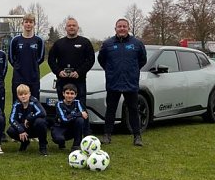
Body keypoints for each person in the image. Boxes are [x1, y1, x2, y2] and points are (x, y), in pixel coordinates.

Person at [97, 17, 148, 146]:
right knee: (111, 110)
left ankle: (137, 136)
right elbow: (102, 60)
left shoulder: (137, 44)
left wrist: (132, 71)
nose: (122, 28)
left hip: (130, 83)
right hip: (113, 82)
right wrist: (111, 71)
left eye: (124, 26)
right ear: (115, 28)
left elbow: (142, 60)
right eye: (119, 26)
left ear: (128, 28)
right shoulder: (108, 44)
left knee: (133, 110)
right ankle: (107, 135)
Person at [47, 17, 95, 108]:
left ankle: (81, 122)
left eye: (74, 25)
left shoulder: (85, 42)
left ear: (78, 28)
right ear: (65, 28)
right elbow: (51, 60)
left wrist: (79, 72)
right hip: (62, 81)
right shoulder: (58, 43)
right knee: (62, 107)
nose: (71, 27)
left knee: (80, 107)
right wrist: (58, 72)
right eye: (69, 25)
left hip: (79, 80)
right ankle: (63, 122)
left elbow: (90, 59)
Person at [8, 13, 45, 101]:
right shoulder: (15, 40)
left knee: (34, 102)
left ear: (34, 24)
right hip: (18, 77)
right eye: (26, 22)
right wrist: (18, 66)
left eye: (31, 22)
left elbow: (41, 58)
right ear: (22, 24)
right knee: (17, 102)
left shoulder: (39, 41)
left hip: (33, 77)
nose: (28, 24)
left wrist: (32, 66)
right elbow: (10, 58)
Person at [7, 83, 49, 155]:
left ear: (29, 94)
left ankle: (43, 147)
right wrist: (20, 130)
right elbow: (11, 119)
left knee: (40, 122)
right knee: (10, 130)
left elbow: (43, 112)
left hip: (35, 128)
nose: (23, 96)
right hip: (24, 128)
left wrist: (29, 118)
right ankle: (25, 142)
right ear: (17, 96)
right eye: (21, 95)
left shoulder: (34, 101)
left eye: (25, 94)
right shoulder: (16, 104)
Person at [51, 83, 89, 151]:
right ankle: (61, 144)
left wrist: (75, 115)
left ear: (75, 95)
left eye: (72, 93)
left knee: (80, 120)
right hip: (60, 127)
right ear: (63, 94)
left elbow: (84, 117)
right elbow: (64, 119)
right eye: (67, 93)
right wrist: (78, 114)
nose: (69, 95)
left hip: (71, 128)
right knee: (59, 139)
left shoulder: (78, 103)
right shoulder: (59, 104)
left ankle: (76, 145)